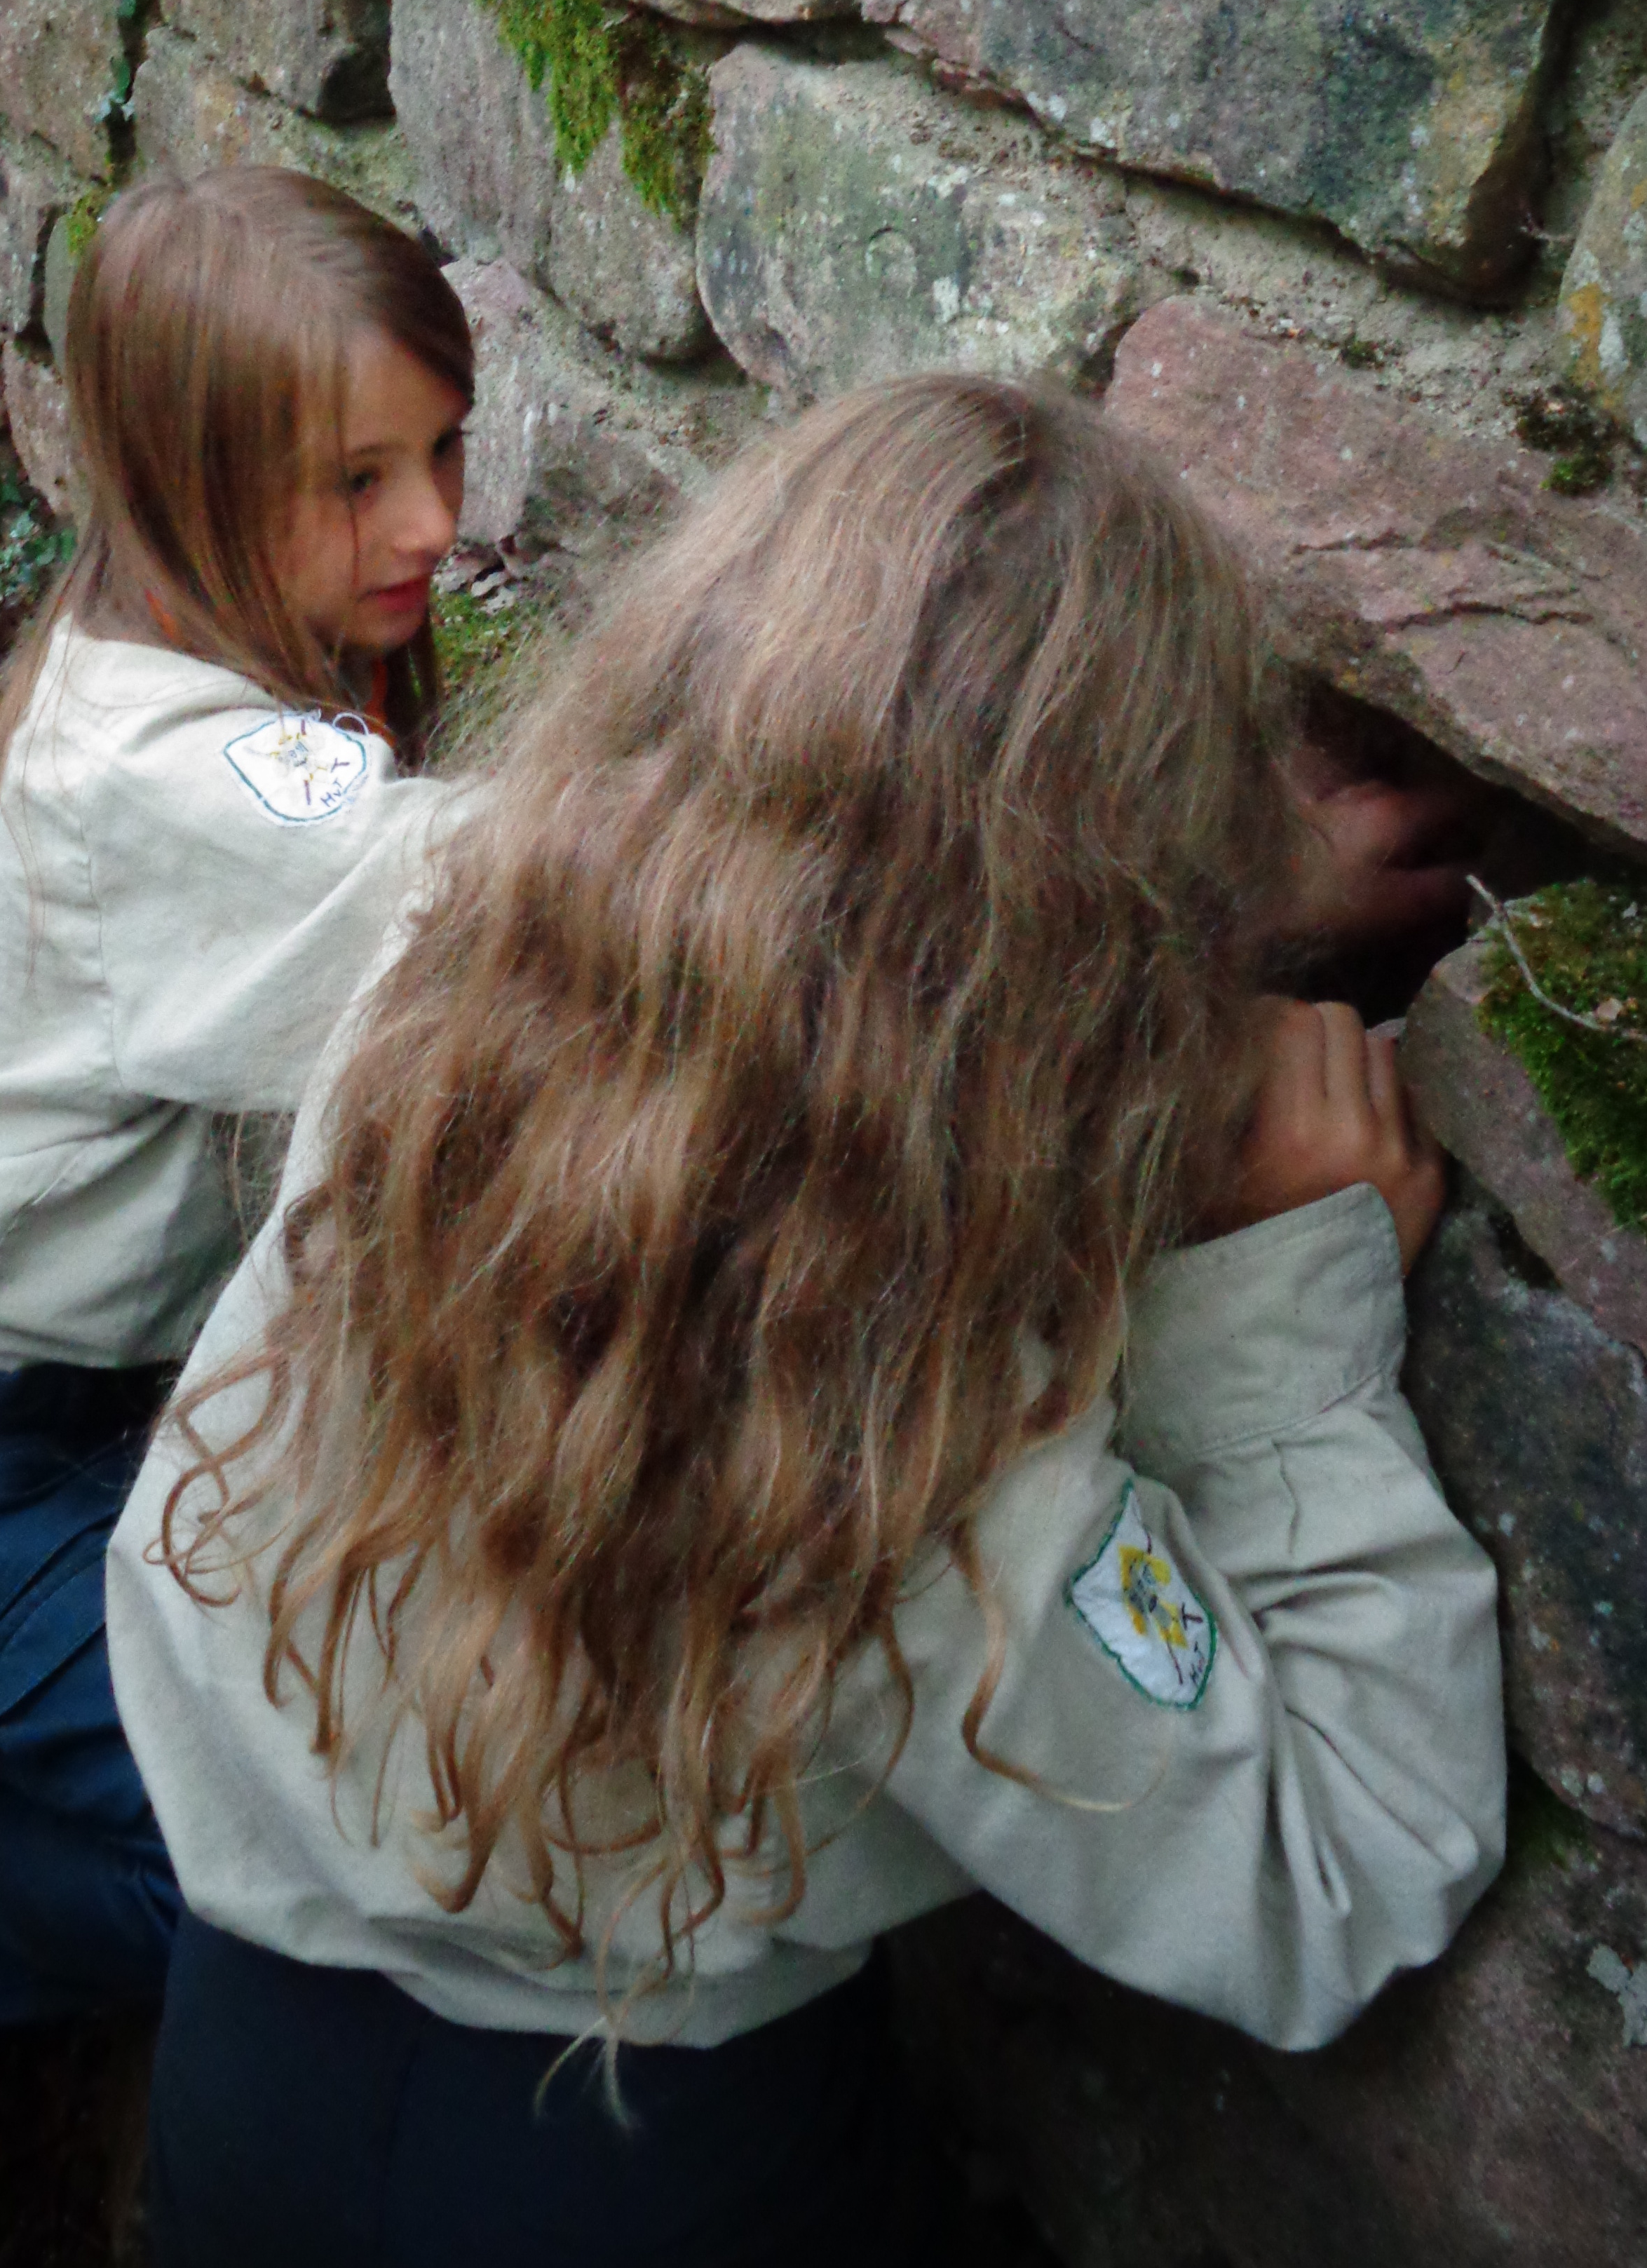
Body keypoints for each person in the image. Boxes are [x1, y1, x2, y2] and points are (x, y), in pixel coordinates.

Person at [107, 374, 1506, 2268]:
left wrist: (1223, 885)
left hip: (234, 2041)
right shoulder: (917, 1434)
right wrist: (1279, 1325)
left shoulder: (455, 966)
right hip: (627, 2159)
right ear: (1091, 948)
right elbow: (1343, 1881)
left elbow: (837, 838)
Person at [0, 170, 477, 2260]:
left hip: (145, 1419)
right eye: (360, 477)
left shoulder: (217, 646)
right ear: (194, 474)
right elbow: (506, 894)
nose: (433, 528)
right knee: (246, 1868)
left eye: (444, 451)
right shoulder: (160, 772)